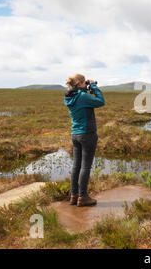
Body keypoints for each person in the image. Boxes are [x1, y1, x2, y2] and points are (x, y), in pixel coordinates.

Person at [64, 74, 105, 207]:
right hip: (87, 134)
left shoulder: (70, 96)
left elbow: (83, 97)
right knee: (85, 166)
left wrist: (85, 88)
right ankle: (83, 197)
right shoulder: (82, 96)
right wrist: (93, 86)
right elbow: (100, 101)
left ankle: (74, 196)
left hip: (75, 134)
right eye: (84, 82)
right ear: (81, 83)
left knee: (76, 166)